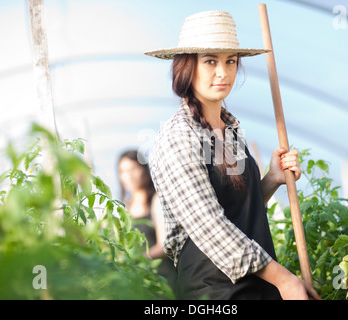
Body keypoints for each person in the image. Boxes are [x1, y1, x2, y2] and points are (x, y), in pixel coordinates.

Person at [144, 10, 319, 300]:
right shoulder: (178, 138)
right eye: (211, 61)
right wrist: (286, 279)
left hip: (259, 286)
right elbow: (210, 226)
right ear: (187, 66)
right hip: (214, 292)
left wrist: (272, 180)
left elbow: (237, 209)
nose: (223, 72)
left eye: (231, 61)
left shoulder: (230, 129)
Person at [117, 150, 176, 289]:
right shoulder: (124, 207)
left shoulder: (157, 200)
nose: (129, 176)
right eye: (123, 171)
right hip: (138, 282)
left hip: (162, 280)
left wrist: (134, 259)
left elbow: (164, 246)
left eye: (133, 169)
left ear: (144, 169)